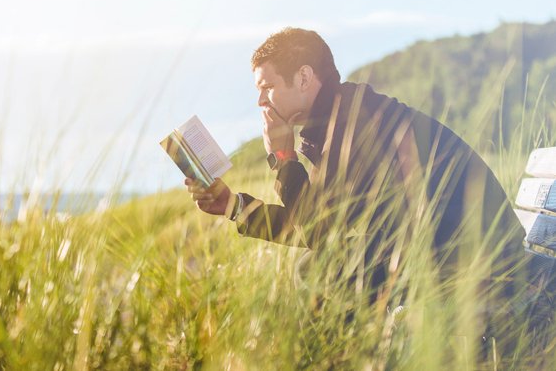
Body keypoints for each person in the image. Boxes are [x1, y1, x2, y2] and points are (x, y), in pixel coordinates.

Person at [184, 27, 551, 356]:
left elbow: (317, 231)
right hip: (448, 254)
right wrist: (232, 205)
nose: (261, 102)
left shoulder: (356, 124)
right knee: (320, 267)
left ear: (304, 77)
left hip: (480, 266)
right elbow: (319, 227)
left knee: (317, 270)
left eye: (267, 87)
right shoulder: (338, 121)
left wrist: (283, 156)